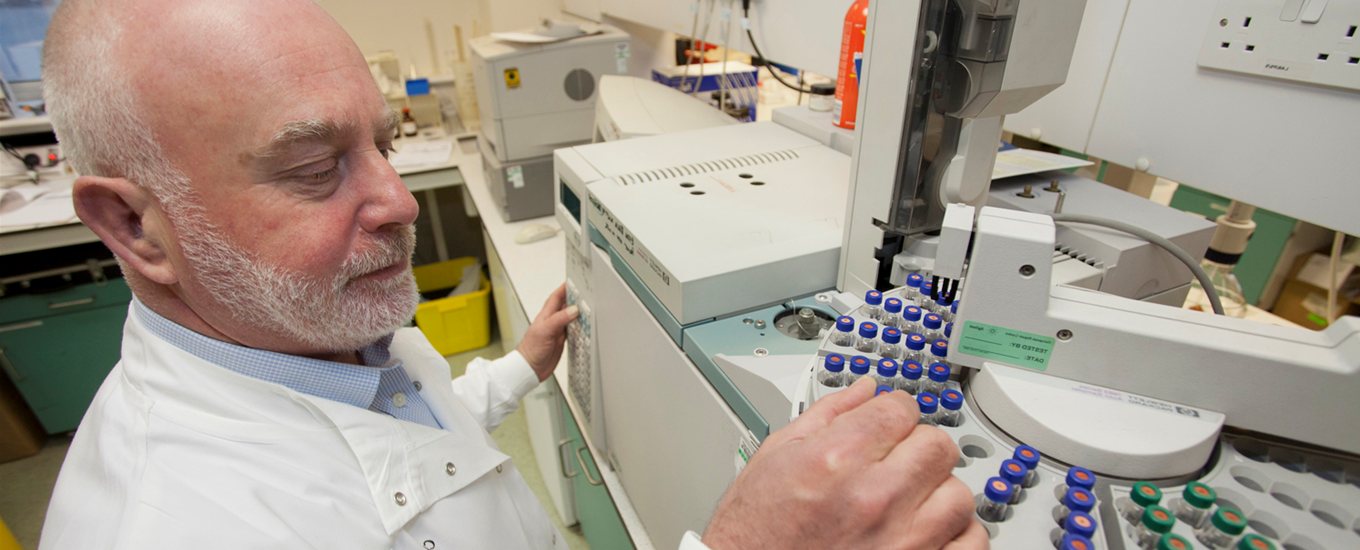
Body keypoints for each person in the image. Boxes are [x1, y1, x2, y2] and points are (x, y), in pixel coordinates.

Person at [38, 1, 985, 548]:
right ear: (134, 224)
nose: (400, 203)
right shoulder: (183, 527)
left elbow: (410, 423)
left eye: (384, 141)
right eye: (312, 167)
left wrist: (516, 370)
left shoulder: (301, 325)